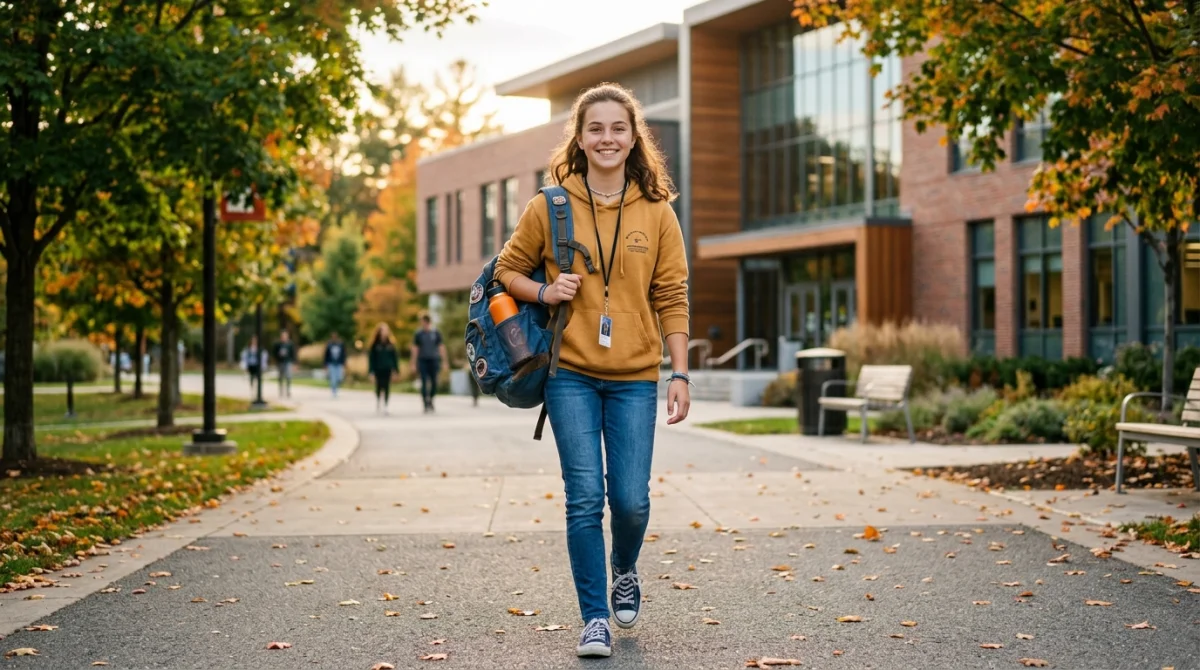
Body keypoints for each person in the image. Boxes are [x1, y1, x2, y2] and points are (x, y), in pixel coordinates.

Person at [493, 82, 692, 658]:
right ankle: (595, 617)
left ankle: (624, 566)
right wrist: (546, 288)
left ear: (634, 140)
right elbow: (506, 271)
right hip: (570, 373)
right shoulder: (549, 206)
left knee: (629, 500)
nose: (607, 138)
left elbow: (672, 295)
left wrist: (679, 374)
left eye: (618, 128)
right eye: (596, 128)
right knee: (584, 498)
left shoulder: (657, 213)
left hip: (634, 376)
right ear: (580, 139)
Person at [410, 314, 447, 413]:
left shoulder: (435, 333)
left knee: (434, 382)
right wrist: (413, 363)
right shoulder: (419, 334)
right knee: (424, 382)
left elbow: (441, 347)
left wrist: (444, 361)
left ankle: (430, 399)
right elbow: (415, 349)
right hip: (423, 360)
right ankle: (425, 403)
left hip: (433, 359)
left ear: (427, 322)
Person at [367, 322, 400, 414]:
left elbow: (395, 358)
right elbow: (371, 359)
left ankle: (386, 404)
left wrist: (396, 370)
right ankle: (378, 401)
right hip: (378, 368)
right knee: (378, 386)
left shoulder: (390, 345)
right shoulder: (375, 345)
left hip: (387, 368)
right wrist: (371, 371)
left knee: (386, 386)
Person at [273, 330, 296, 398]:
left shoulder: (290, 344)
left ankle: (288, 390)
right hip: (280, 362)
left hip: (288, 362)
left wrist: (294, 363)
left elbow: (293, 354)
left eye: (285, 336)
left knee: (288, 376)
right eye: (283, 336)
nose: (284, 337)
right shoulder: (278, 344)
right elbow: (274, 353)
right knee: (280, 377)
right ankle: (281, 390)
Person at [323, 332, 347, 398]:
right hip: (331, 364)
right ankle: (334, 392)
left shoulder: (341, 344)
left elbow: (343, 355)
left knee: (339, 378)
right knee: (333, 379)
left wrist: (344, 363)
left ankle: (336, 388)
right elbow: (326, 355)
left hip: (339, 363)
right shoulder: (329, 345)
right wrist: (325, 364)